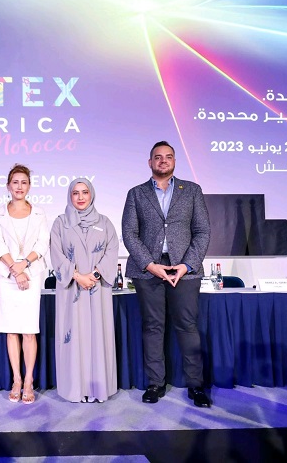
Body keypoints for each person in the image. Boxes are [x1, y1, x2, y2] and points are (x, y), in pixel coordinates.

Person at [121, 141, 212, 408]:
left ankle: (196, 386)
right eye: (158, 157)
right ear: (150, 162)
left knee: (188, 327)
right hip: (149, 270)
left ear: (174, 161)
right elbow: (129, 233)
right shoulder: (136, 193)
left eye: (168, 156)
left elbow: (203, 231)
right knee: (153, 327)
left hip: (184, 270)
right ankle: (155, 383)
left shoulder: (192, 191)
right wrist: (150, 265)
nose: (163, 160)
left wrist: (186, 265)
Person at [50, 178, 119, 403]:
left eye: (85, 192)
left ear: (92, 195)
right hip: (72, 290)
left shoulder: (105, 222)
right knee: (74, 336)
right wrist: (78, 276)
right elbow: (56, 254)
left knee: (98, 335)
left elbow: (112, 250)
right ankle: (75, 389)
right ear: (70, 196)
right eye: (75, 193)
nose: (80, 197)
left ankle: (97, 389)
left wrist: (95, 275)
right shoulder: (60, 223)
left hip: (98, 289)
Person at [0, 164, 50, 404]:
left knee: (28, 330)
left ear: (29, 186)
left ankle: (28, 380)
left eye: (24, 182)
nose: (19, 186)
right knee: (11, 329)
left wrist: (23, 265)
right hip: (7, 277)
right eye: (15, 182)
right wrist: (15, 270)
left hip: (31, 275)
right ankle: (16, 379)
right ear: (8, 186)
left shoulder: (39, 213)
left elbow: (42, 243)